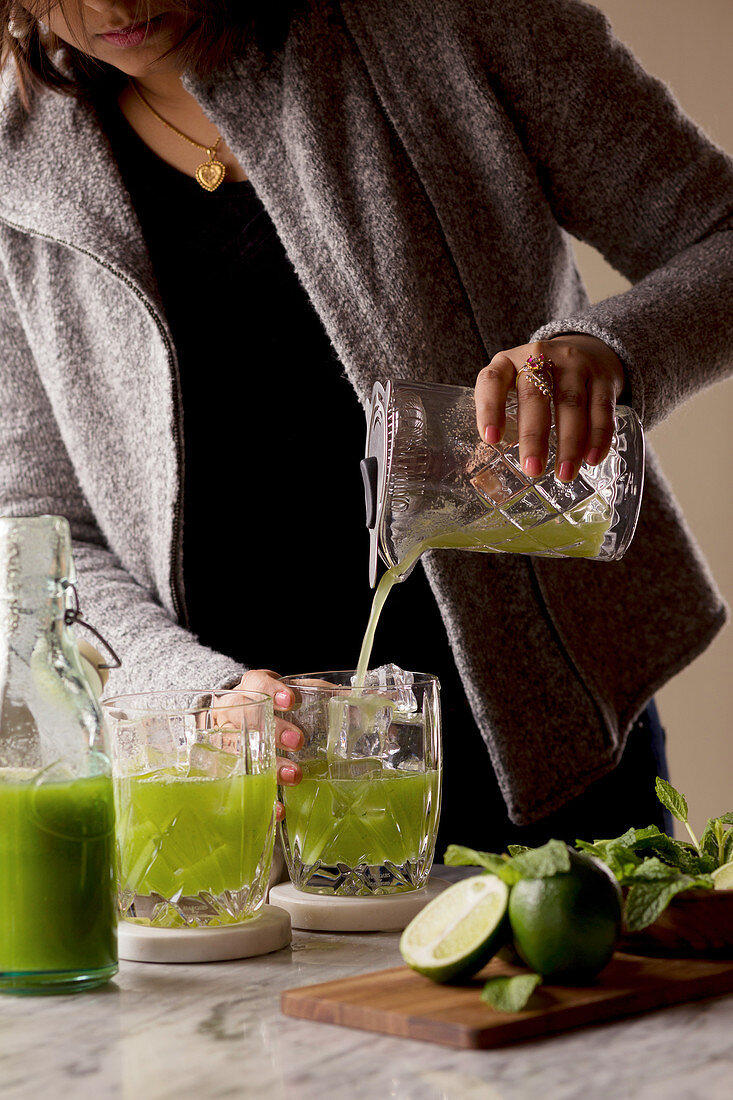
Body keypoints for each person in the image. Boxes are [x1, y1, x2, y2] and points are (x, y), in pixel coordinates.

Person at [1, 0, 731, 853]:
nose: (114, 5)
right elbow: (35, 529)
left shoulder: (455, 22)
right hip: (249, 793)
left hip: (549, 740)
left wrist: (609, 353)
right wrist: (195, 696)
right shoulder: (15, 166)